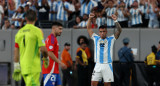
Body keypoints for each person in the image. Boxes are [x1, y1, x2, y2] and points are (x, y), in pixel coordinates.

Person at [12, 9, 49, 86]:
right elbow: (43, 49)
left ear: (25, 18)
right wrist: (46, 58)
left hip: (23, 67)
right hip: (33, 67)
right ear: (36, 18)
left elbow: (16, 51)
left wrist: (16, 65)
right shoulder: (38, 31)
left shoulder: (19, 32)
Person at [87, 12, 122, 86]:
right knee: (93, 83)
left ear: (106, 32)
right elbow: (89, 28)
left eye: (104, 31)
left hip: (107, 64)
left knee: (107, 84)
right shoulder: (95, 38)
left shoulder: (111, 39)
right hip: (98, 64)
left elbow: (119, 30)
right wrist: (90, 18)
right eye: (101, 32)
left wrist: (116, 21)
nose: (102, 33)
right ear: (99, 32)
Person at [42, 22, 67, 86]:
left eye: (61, 29)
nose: (61, 31)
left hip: (55, 70)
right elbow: (49, 52)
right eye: (59, 29)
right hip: (50, 70)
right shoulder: (52, 38)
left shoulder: (53, 38)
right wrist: (60, 62)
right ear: (54, 28)